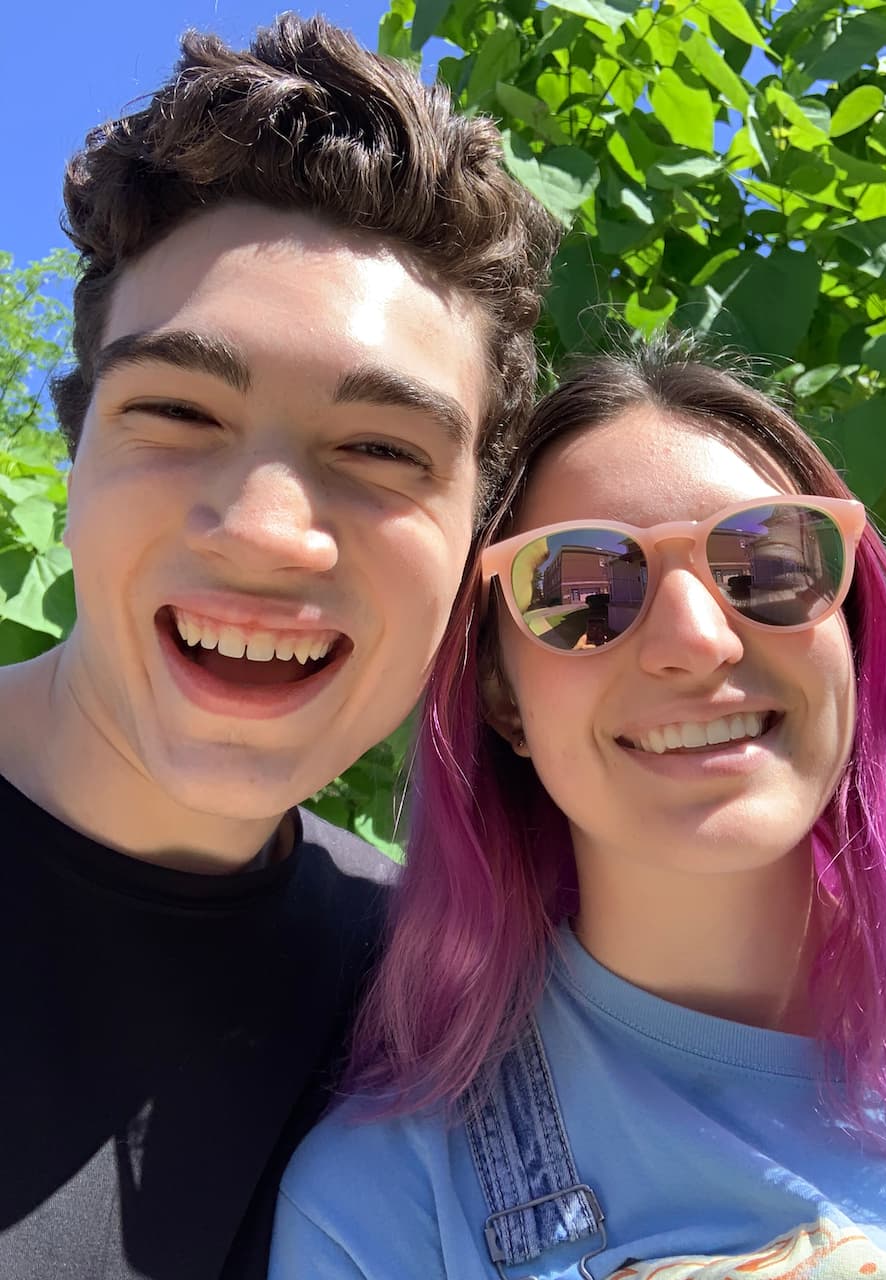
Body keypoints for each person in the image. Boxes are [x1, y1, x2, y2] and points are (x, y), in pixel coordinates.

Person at [0, 13, 558, 1279]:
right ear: (74, 455)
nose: (265, 532)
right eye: (181, 410)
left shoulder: (436, 996)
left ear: (479, 539)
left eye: (380, 450)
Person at [271, 335, 886, 1279]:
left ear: (850, 626)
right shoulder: (387, 1205)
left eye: (770, 561)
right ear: (501, 698)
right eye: (581, 589)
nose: (694, 640)